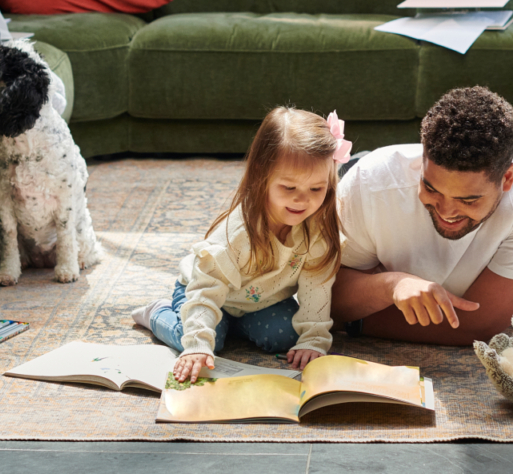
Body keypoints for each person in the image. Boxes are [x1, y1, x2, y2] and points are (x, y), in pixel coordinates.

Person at [331, 86, 513, 345]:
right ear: (422, 159)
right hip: (362, 174)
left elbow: (480, 326)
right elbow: (325, 297)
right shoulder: (370, 182)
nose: (446, 211)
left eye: (468, 200)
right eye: (430, 188)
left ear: (508, 178)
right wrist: (392, 285)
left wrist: (353, 321)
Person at [132, 107, 353, 382]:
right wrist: (198, 343)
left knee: (288, 336)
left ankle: (232, 326)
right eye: (289, 187)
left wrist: (313, 340)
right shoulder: (236, 233)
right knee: (205, 342)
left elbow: (316, 287)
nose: (302, 200)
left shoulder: (317, 228)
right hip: (208, 291)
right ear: (263, 174)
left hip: (260, 301)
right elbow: (206, 290)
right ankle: (158, 312)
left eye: (316, 189)